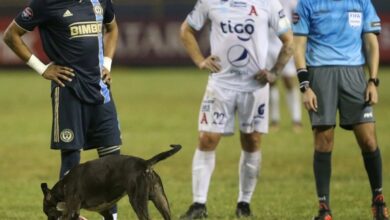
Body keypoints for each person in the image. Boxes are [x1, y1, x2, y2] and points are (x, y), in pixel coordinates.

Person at [3, 0, 121, 219]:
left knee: (112, 160)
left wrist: (107, 63)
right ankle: (70, 216)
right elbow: (11, 35)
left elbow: (112, 28)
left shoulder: (101, 1)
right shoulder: (46, 3)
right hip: (69, 90)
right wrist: (42, 69)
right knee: (71, 159)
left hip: (100, 90)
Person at [179, 0, 294, 218]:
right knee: (207, 139)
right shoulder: (209, 2)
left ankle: (244, 203)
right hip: (220, 86)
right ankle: (198, 204)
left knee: (252, 141)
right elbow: (186, 30)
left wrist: (275, 72)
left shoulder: (268, 3)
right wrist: (200, 61)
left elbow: (288, 41)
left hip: (254, 87)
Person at [292, 0, 388, 219]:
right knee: (323, 141)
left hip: (354, 75)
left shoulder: (361, 2)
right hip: (320, 74)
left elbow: (372, 43)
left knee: (369, 140)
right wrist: (305, 85)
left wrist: (372, 81)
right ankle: (324, 208)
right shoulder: (308, 3)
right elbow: (299, 46)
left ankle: (378, 201)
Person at [266, 0, 302, 133]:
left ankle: (296, 119)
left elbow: (298, 14)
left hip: (284, 42)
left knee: (289, 80)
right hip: (267, 44)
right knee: (270, 81)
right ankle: (274, 119)